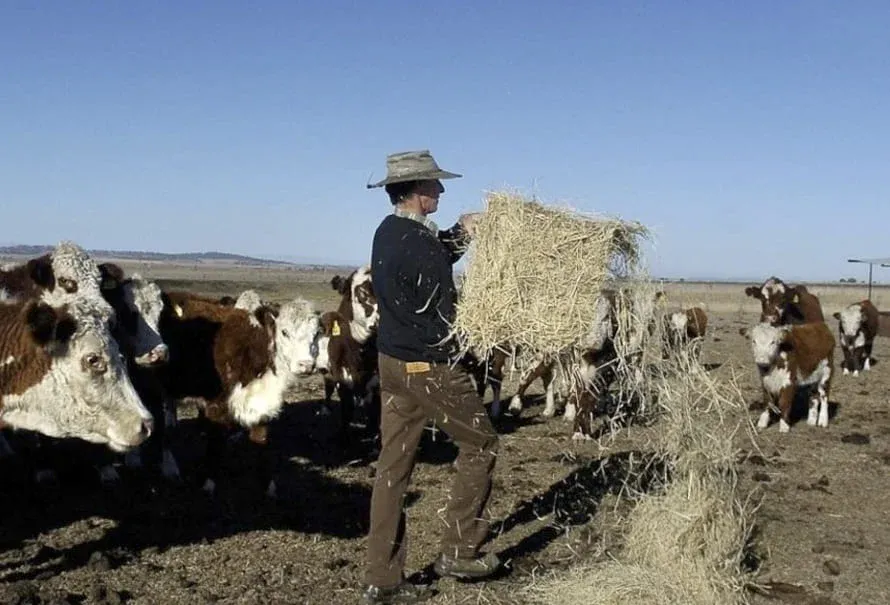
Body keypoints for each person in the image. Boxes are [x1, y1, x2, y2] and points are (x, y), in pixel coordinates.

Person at [361, 150, 501, 604]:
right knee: (481, 443)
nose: (440, 191)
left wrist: (462, 233)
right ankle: (459, 551)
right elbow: (438, 307)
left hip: (392, 364)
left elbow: (429, 264)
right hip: (429, 367)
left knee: (392, 467)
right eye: (435, 186)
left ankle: (381, 578)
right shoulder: (416, 242)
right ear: (419, 192)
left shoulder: (390, 232)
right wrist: (474, 338)